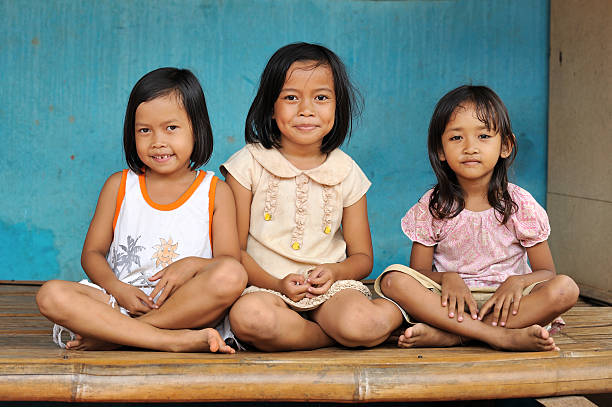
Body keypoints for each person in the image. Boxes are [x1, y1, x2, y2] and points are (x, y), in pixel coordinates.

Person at [36, 68, 247, 353]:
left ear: (197, 129)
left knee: (231, 275)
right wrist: (117, 288)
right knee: (51, 295)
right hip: (119, 303)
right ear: (131, 133)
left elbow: (228, 260)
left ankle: (121, 336)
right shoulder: (119, 186)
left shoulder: (215, 191)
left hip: (184, 309)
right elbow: (92, 254)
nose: (157, 141)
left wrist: (192, 265)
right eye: (144, 130)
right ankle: (168, 341)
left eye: (171, 128)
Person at [221, 42, 402, 351]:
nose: (306, 110)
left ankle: (405, 314)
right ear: (270, 106)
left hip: (330, 291)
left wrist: (334, 272)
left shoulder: (346, 171)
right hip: (265, 287)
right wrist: (276, 284)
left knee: (363, 322)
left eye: (321, 98)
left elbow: (362, 259)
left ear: (337, 106)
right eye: (291, 98)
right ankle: (325, 337)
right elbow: (232, 252)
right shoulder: (247, 164)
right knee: (251, 319)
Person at [375, 85, 579, 352]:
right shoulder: (433, 206)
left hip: (508, 306)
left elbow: (547, 273)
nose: (470, 148)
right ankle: (496, 336)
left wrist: (516, 282)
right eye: (457, 138)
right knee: (393, 280)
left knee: (566, 288)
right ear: (440, 150)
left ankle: (455, 336)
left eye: (483, 136)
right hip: (449, 304)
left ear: (505, 145)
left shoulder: (520, 205)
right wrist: (447, 278)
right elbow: (419, 274)